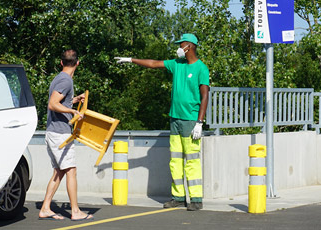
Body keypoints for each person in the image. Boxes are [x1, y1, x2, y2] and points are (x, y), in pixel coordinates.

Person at [115, 34, 209, 211]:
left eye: (180, 45)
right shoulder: (176, 64)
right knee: (175, 161)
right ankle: (178, 197)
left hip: (190, 121)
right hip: (175, 119)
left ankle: (196, 199)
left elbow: (205, 96)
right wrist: (130, 60)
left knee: (192, 161)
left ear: (189, 46)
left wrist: (200, 122)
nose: (178, 48)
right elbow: (153, 63)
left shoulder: (201, 69)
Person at [39, 49, 94, 221]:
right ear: (77, 63)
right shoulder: (65, 80)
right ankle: (76, 211)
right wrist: (72, 111)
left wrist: (74, 100)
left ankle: (46, 208)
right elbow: (53, 104)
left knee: (59, 172)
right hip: (59, 133)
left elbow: (59, 100)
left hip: (54, 132)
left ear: (61, 62)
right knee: (71, 170)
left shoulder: (60, 78)